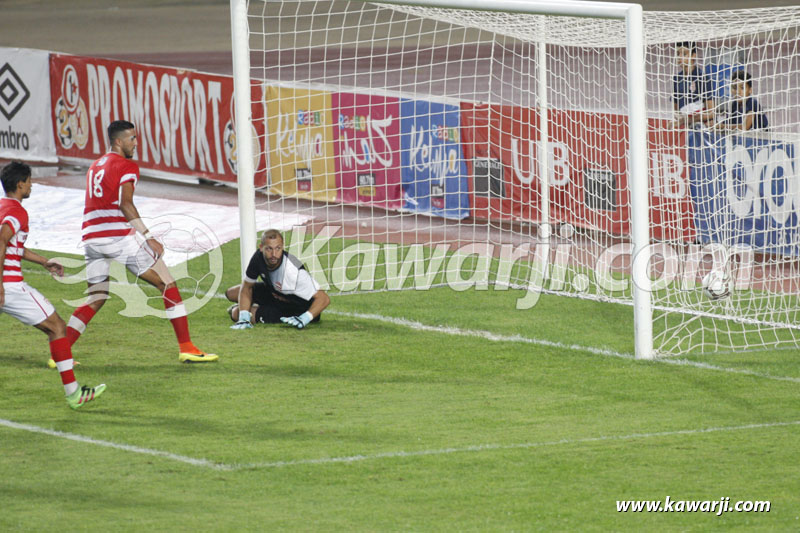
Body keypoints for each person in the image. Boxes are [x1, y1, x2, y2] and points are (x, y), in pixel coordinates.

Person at [65, 120, 218, 363]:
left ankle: (60, 352)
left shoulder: (95, 166)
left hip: (92, 238)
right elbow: (125, 203)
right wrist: (148, 237)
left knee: (96, 296)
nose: (136, 143)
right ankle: (186, 347)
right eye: (132, 138)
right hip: (116, 237)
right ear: (118, 141)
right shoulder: (126, 166)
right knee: (168, 284)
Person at [0, 162, 105, 409]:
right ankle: (74, 394)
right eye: (29, 180)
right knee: (58, 327)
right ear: (20, 184)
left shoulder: (3, 207)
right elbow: (2, 242)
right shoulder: (17, 212)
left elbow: (14, 246)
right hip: (11, 286)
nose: (32, 184)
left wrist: (44, 261)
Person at [226, 229, 330, 329]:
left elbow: (324, 299)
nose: (274, 254)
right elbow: (247, 287)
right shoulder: (258, 258)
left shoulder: (292, 271)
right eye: (269, 249)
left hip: (296, 308)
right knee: (231, 293)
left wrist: (305, 318)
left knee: (236, 313)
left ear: (282, 247)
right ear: (261, 247)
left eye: (278, 248)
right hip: (274, 294)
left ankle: (254, 308)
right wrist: (244, 317)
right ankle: (254, 306)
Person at [673, 41, 714, 127]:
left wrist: (688, 120)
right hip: (686, 128)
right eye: (678, 54)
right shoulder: (677, 79)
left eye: (684, 54)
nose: (680, 57)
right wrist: (681, 120)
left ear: (693, 56)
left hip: (703, 128)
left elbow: (711, 113)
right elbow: (676, 111)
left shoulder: (702, 78)